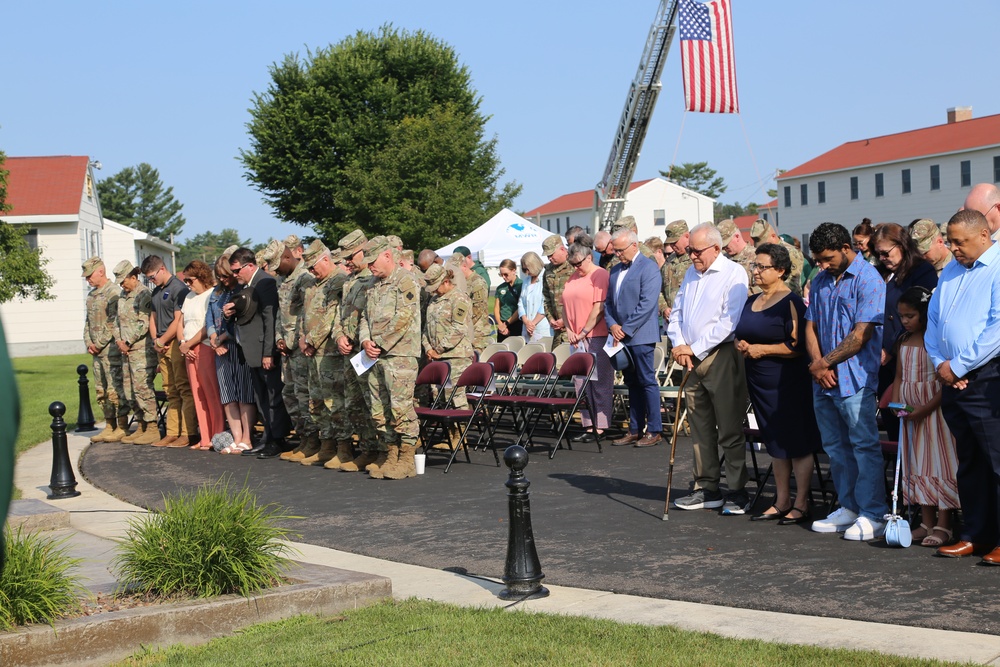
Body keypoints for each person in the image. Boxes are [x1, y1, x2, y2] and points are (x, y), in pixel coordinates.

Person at [804, 223, 888, 540]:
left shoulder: (870, 280)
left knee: (864, 447)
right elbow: (811, 326)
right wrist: (817, 365)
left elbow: (862, 334)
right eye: (818, 260)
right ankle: (849, 506)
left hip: (856, 380)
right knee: (836, 448)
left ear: (844, 247)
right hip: (823, 379)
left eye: (827, 258)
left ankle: (873, 512)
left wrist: (824, 362)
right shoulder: (822, 279)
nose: (822, 265)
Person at [926, 209, 1000, 562]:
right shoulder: (952, 270)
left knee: (996, 460)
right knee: (969, 459)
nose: (953, 248)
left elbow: (996, 329)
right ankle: (976, 534)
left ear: (984, 235)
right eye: (950, 241)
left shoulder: (998, 265)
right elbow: (933, 322)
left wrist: (959, 365)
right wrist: (941, 364)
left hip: (986, 377)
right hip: (951, 377)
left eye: (960, 241)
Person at [734, 244, 820, 524]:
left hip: (786, 381)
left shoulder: (791, 302)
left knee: (796, 441)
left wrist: (763, 350)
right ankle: (781, 499)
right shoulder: (751, 300)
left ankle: (802, 502)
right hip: (758, 380)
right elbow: (741, 332)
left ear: (780, 270)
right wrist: (742, 343)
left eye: (762, 267)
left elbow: (796, 346)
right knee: (774, 441)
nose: (755, 271)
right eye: (754, 266)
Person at [667, 223, 750, 514]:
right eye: (689, 250)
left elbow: (730, 321)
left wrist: (694, 347)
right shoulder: (692, 273)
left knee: (728, 428)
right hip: (689, 359)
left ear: (716, 248)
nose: (691, 256)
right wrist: (679, 345)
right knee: (700, 429)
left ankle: (738, 491)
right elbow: (676, 313)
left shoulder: (733, 273)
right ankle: (707, 487)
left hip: (720, 355)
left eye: (697, 251)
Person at [891, 286, 960, 547]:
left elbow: (943, 383)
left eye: (910, 316)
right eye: (901, 316)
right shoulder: (903, 340)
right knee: (916, 464)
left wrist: (924, 409)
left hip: (933, 412)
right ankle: (925, 522)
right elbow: (899, 376)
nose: (905, 321)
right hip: (909, 411)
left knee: (939, 463)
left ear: (924, 313)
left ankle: (944, 524)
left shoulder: (936, 341)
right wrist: (898, 404)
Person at [359, 236, 423, 480]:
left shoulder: (405, 281)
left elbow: (404, 317)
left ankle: (406, 459)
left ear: (387, 255)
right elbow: (365, 317)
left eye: (372, 261)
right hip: (374, 355)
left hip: (399, 355)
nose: (369, 266)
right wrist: (365, 341)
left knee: (400, 408)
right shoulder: (373, 284)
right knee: (379, 409)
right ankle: (391, 454)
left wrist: (379, 343)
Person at [870, 223, 938, 441]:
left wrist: (890, 347)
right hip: (883, 361)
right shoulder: (881, 274)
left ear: (902, 245)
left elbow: (918, 314)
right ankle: (901, 472)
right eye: (877, 254)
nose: (882, 258)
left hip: (911, 358)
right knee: (894, 420)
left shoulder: (921, 270)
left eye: (886, 252)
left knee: (916, 427)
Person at [224, 248, 292, 458]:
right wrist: (229, 315)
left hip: (263, 350)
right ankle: (268, 437)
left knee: (273, 397)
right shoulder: (251, 284)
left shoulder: (264, 282)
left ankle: (277, 440)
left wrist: (268, 353)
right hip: (251, 350)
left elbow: (269, 319)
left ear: (249, 265)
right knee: (261, 397)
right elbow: (246, 318)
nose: (234, 275)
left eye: (236, 271)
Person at [298, 241, 354, 469]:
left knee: (334, 402)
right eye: (308, 266)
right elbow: (305, 316)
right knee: (317, 401)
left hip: (330, 352)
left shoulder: (338, 280)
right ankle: (326, 445)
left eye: (314, 265)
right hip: (312, 352)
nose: (311, 270)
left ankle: (343, 448)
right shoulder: (313, 284)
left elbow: (332, 316)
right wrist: (303, 338)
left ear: (326, 259)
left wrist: (311, 340)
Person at [606, 229, 663, 449]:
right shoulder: (615, 270)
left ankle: (655, 430)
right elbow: (608, 303)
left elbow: (647, 304)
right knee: (632, 383)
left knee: (647, 381)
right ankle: (635, 429)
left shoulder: (648, 267)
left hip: (640, 336)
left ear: (634, 245)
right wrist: (612, 325)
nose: (617, 254)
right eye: (615, 250)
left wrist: (625, 329)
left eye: (620, 250)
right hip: (621, 336)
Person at [335, 230, 385, 474]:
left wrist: (363, 340)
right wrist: (339, 336)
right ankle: (367, 448)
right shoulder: (350, 280)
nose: (346, 262)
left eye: (350, 256)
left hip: (368, 351)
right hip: (350, 353)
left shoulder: (374, 280)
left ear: (362, 250)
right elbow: (340, 315)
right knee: (354, 404)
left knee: (373, 404)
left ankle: (382, 451)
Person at [141, 255, 196, 448]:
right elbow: (153, 318)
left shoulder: (178, 288)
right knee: (170, 390)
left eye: (152, 276)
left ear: (162, 269)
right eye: (148, 278)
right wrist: (156, 340)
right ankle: (172, 432)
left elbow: (178, 320)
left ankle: (187, 432)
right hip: (161, 345)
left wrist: (164, 340)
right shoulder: (156, 291)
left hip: (174, 343)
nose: (151, 280)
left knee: (183, 388)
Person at [562, 241, 613, 438]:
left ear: (589, 257)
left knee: (599, 381)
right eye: (573, 264)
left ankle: (601, 423)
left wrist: (583, 331)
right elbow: (564, 306)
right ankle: (588, 423)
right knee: (581, 383)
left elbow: (599, 307)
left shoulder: (599, 274)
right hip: (575, 338)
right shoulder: (572, 277)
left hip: (596, 334)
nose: (576, 268)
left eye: (579, 264)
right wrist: (569, 330)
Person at [207, 256, 257, 454]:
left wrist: (222, 338)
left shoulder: (241, 291)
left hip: (237, 346)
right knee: (228, 395)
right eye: (220, 276)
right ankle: (236, 438)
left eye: (227, 275)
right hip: (219, 348)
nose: (224, 279)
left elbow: (240, 321)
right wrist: (213, 338)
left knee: (243, 393)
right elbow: (209, 319)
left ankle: (247, 437)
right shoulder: (216, 293)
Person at [82, 257, 129, 443]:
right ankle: (109, 425)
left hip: (110, 351)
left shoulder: (113, 293)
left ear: (101, 271)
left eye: (89, 275)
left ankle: (122, 426)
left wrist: (99, 343)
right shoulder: (91, 295)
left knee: (115, 389)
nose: (88, 280)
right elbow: (88, 322)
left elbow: (113, 322)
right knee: (101, 390)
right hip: (97, 352)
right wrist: (88, 341)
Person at [113, 260, 159, 445]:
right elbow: (116, 322)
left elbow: (144, 323)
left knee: (142, 388)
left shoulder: (144, 295)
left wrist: (127, 341)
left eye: (124, 281)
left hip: (141, 351)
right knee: (129, 390)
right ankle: (141, 425)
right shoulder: (122, 297)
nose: (122, 285)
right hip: (126, 352)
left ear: (134, 277)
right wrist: (118, 340)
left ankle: (152, 427)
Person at [178, 261, 223, 451]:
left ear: (202, 277)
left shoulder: (211, 295)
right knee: (198, 395)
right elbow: (181, 321)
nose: (188, 284)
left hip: (204, 348)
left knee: (211, 393)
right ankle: (204, 437)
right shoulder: (188, 297)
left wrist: (190, 343)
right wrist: (182, 344)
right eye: (185, 280)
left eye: (191, 280)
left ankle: (217, 436)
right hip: (187, 350)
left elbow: (208, 325)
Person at [423, 265, 474, 410]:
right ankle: (450, 432)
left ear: (446, 281)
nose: (433, 290)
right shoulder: (434, 300)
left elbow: (458, 328)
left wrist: (438, 349)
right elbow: (426, 328)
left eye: (436, 286)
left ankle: (461, 430)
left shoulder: (459, 299)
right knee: (440, 398)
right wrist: (428, 348)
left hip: (456, 357)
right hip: (437, 357)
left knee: (456, 398)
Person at [750, 219, 804, 296]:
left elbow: (791, 283)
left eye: (764, 243)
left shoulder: (791, 252)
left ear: (773, 236)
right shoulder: (761, 253)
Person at [542, 235, 573, 347]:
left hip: (574, 330)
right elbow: (546, 298)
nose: (549, 258)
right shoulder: (548, 270)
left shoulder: (575, 265)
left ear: (562, 249)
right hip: (557, 332)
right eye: (547, 256)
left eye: (551, 255)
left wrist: (565, 320)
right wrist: (550, 318)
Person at [717, 218, 757, 293]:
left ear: (737, 237)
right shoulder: (722, 259)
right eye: (723, 246)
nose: (724, 248)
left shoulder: (756, 256)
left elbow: (763, 287)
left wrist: (737, 294)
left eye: (726, 244)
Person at [519, 251, 551, 342]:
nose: (526, 272)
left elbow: (545, 303)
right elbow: (521, 302)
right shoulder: (526, 281)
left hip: (541, 325)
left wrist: (532, 323)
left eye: (527, 269)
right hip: (527, 326)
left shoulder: (546, 278)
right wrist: (526, 321)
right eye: (524, 270)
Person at [493, 259, 523, 341]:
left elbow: (521, 308)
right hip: (502, 325)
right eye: (501, 275)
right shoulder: (500, 288)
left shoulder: (521, 285)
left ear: (513, 271)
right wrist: (500, 324)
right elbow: (496, 307)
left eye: (506, 274)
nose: (503, 277)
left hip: (517, 323)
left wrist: (507, 323)